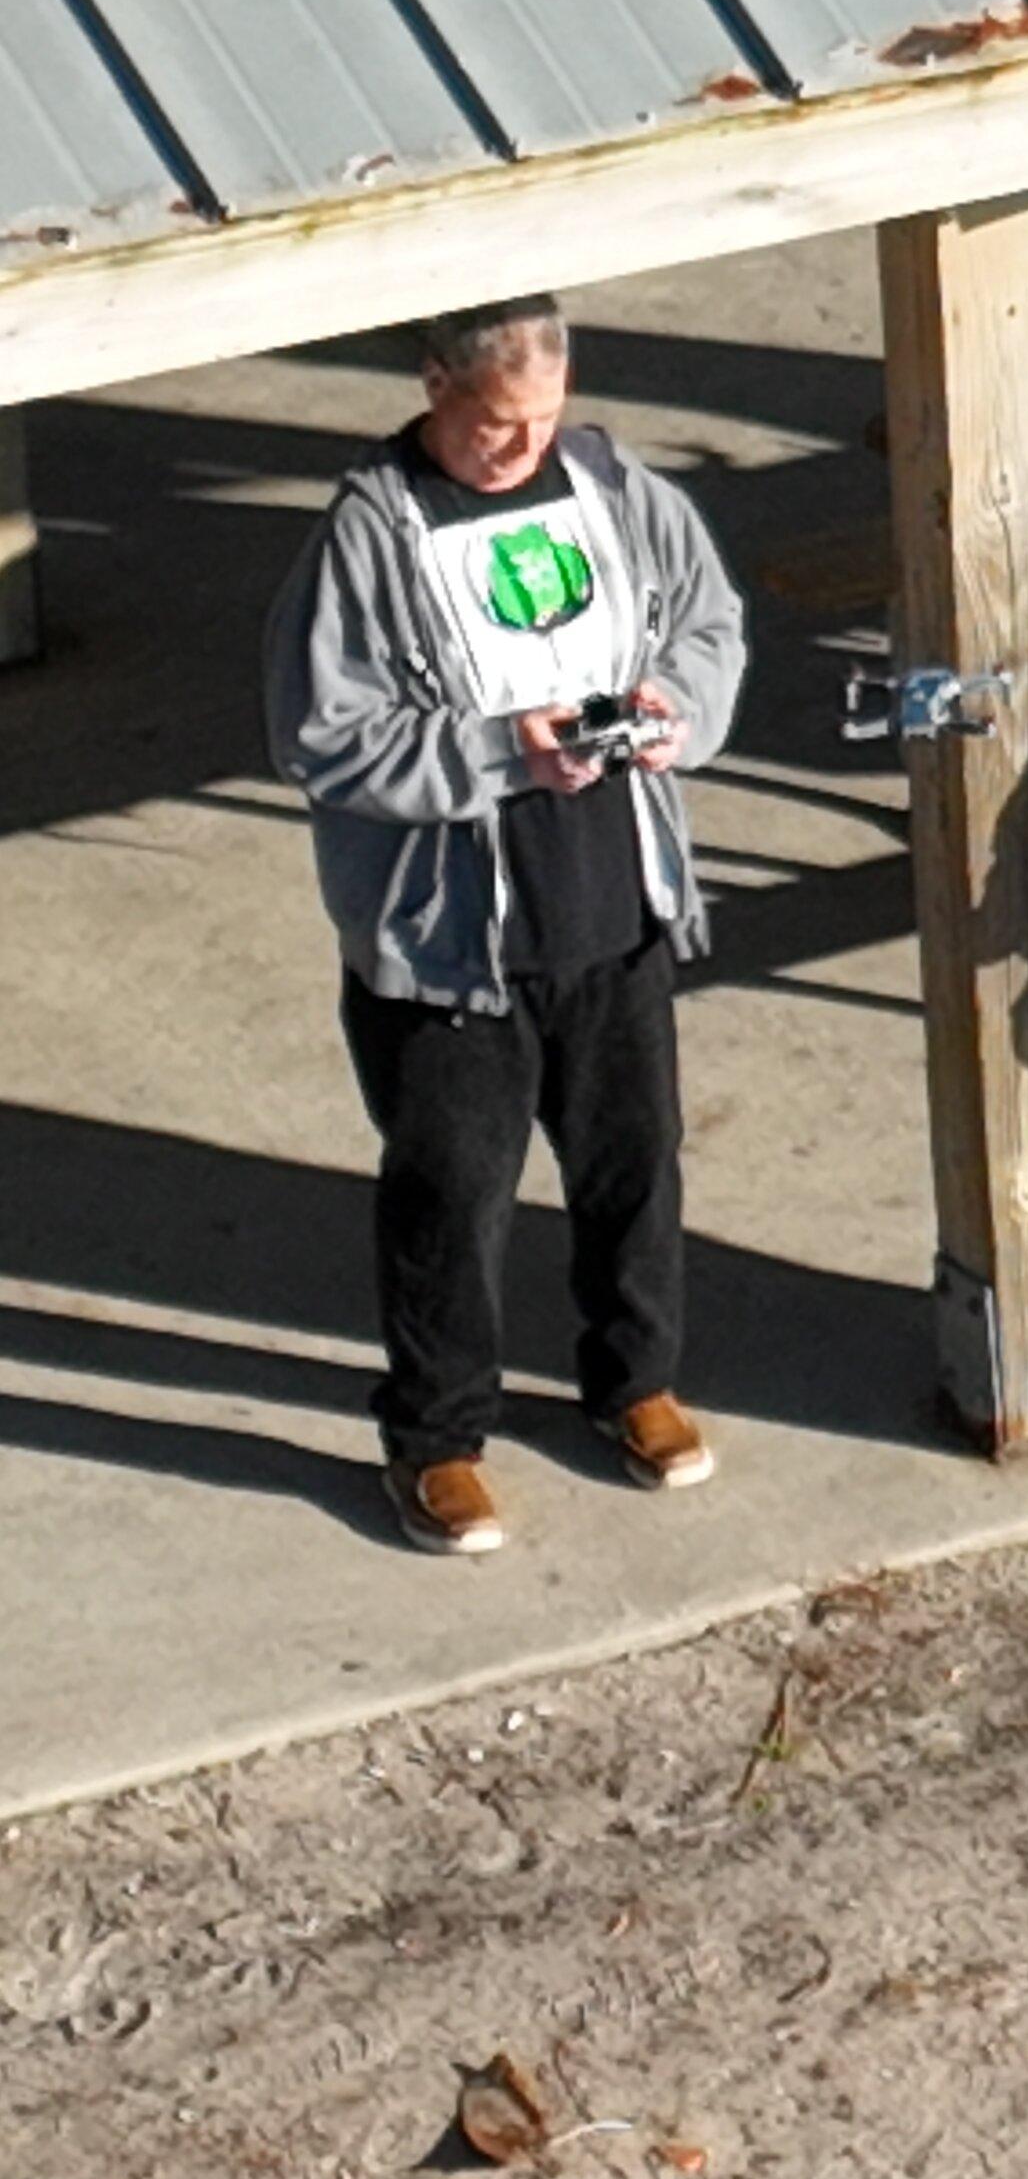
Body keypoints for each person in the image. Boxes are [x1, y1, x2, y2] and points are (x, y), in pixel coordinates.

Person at [266, 298, 749, 1556]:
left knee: (633, 1163)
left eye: (543, 417)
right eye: (496, 422)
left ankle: (636, 1383)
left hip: (613, 910)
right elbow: (320, 734)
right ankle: (436, 1442)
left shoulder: (614, 488)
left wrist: (674, 705)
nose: (523, 445)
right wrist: (498, 750)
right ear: (435, 384)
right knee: (452, 1195)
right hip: (450, 948)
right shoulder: (370, 533)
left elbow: (710, 623)